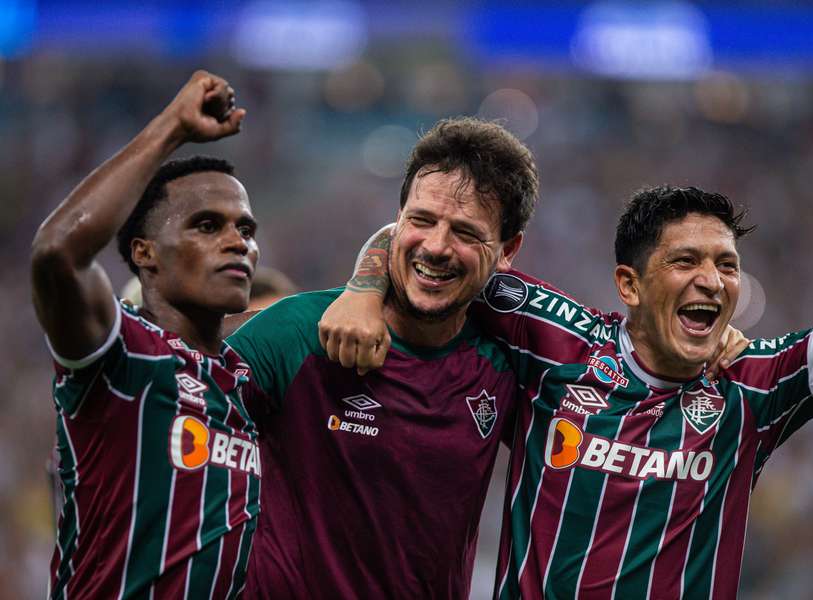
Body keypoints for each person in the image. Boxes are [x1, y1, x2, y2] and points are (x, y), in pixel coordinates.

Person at [322, 185, 813, 599]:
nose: (712, 279)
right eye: (685, 260)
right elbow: (423, 239)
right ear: (629, 283)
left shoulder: (752, 387)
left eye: (726, 265)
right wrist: (362, 287)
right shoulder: (555, 340)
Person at [225, 117, 535, 599]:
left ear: (507, 250)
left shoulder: (506, 364)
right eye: (422, 220)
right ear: (398, 221)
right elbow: (172, 411)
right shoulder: (297, 332)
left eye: (466, 233)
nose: (436, 247)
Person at [31, 71, 261, 599]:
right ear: (144, 252)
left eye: (245, 230)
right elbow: (56, 254)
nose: (237, 243)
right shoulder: (121, 354)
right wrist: (171, 129)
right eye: (208, 226)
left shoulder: (250, 385)